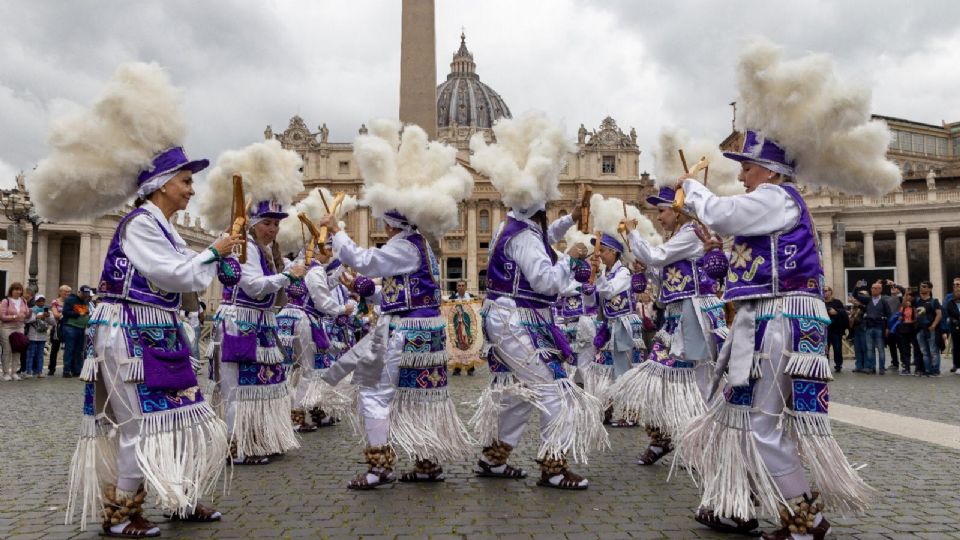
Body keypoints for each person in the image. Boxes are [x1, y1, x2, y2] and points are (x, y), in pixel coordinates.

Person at [28, 62, 246, 537]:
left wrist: (220, 262)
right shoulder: (142, 223)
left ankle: (179, 495)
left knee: (183, 417)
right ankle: (122, 515)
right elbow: (172, 272)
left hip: (157, 331)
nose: (191, 189)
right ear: (163, 183)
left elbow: (184, 281)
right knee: (140, 423)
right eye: (186, 181)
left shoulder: (162, 225)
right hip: (128, 336)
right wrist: (214, 250)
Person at [675, 40, 881, 540]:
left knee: (762, 424)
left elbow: (724, 212)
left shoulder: (776, 196)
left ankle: (805, 520)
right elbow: (734, 245)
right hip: (765, 318)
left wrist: (693, 189)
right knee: (740, 414)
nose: (741, 175)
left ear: (768, 167)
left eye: (746, 166)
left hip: (779, 319)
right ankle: (736, 503)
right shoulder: (774, 201)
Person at [320, 120, 476, 489]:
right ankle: (426, 461)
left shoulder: (403, 246)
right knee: (419, 396)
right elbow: (397, 290)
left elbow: (368, 261)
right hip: (420, 331)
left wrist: (337, 231)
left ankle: (379, 466)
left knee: (374, 393)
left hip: (405, 332)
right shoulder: (417, 247)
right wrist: (364, 289)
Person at [467, 112, 607, 490]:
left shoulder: (511, 223)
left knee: (521, 392)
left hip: (508, 317)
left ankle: (494, 458)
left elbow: (542, 233)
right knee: (553, 388)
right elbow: (546, 283)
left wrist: (568, 221)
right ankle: (554, 466)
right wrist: (574, 257)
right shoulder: (525, 237)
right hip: (517, 320)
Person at [199, 139, 308, 465]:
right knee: (239, 389)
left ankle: (257, 440)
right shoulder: (243, 247)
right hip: (240, 322)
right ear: (254, 223)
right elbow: (255, 286)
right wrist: (289, 277)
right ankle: (238, 445)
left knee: (262, 386)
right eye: (268, 223)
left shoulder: (261, 250)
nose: (273, 229)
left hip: (259, 323)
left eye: (276, 223)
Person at [612, 185, 727, 465]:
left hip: (695, 314)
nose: (659, 216)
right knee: (660, 378)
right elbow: (664, 274)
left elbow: (659, 257)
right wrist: (646, 270)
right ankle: (664, 437)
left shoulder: (691, 234)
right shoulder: (681, 236)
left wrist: (632, 233)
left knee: (702, 382)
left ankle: (704, 444)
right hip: (678, 315)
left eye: (662, 210)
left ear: (679, 211)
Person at [446, 280, 480, 376]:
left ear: (466, 287)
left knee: (470, 347)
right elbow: (448, 311)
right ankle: (457, 369)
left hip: (468, 326)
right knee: (457, 348)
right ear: (456, 287)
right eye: (459, 285)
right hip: (457, 326)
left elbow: (476, 310)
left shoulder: (472, 298)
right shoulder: (452, 298)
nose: (461, 287)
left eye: (462, 285)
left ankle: (470, 369)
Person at [857, 281, 892, 374]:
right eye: (872, 288)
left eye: (876, 288)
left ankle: (881, 368)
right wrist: (857, 287)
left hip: (880, 327)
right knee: (869, 348)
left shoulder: (884, 301)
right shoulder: (868, 300)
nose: (873, 290)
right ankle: (871, 367)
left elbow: (889, 315)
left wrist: (888, 327)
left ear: (880, 290)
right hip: (869, 326)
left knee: (880, 348)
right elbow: (856, 296)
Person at [61, 285, 93, 378]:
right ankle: (66, 370)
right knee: (69, 349)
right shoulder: (70, 300)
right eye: (84, 294)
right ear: (80, 292)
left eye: (87, 294)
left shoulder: (86, 301)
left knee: (79, 351)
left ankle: (77, 370)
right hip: (71, 327)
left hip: (81, 327)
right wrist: (78, 313)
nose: (85, 296)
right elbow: (65, 312)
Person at [0, 282, 30, 381]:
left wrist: (29, 314)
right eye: (16, 289)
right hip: (7, 327)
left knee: (18, 350)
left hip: (20, 327)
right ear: (11, 290)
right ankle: (5, 373)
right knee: (7, 350)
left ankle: (14, 372)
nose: (18, 291)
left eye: (19, 289)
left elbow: (26, 313)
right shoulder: (5, 301)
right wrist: (15, 316)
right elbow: (2, 316)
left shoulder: (24, 301)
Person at [915, 280, 942, 377]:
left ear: (930, 289)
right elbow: (905, 303)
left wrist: (933, 325)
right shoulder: (917, 301)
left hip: (930, 329)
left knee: (933, 351)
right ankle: (927, 370)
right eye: (921, 286)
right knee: (924, 352)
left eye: (925, 286)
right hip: (920, 329)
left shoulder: (934, 301)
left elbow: (939, 314)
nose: (922, 288)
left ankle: (935, 371)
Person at [25, 294, 52, 378]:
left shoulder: (47, 311)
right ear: (36, 302)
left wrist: (48, 317)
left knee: (40, 355)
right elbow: (27, 320)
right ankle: (28, 371)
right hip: (33, 335)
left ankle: (39, 371)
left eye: (43, 301)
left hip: (43, 336)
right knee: (31, 354)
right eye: (39, 301)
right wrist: (38, 316)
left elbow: (53, 322)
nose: (41, 302)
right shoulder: (31, 310)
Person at [48, 284, 70, 376]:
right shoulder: (55, 302)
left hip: (68, 327)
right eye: (65, 291)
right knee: (54, 349)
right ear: (60, 292)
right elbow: (56, 314)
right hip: (57, 327)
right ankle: (51, 368)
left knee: (68, 349)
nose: (67, 293)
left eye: (69, 292)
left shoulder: (70, 302)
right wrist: (67, 313)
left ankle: (67, 368)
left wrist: (62, 314)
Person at [824, 286, 847, 373]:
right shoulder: (821, 302)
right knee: (825, 349)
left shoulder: (837, 302)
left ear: (830, 292)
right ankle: (825, 365)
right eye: (823, 291)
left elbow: (843, 313)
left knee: (837, 348)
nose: (824, 292)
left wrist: (836, 311)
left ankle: (838, 365)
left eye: (826, 290)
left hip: (836, 330)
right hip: (825, 330)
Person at [897, 289, 921, 375]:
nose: (908, 297)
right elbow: (900, 315)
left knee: (917, 349)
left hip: (913, 328)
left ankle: (918, 368)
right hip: (904, 329)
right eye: (907, 296)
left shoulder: (916, 305)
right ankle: (906, 368)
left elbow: (917, 317)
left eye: (910, 296)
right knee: (905, 350)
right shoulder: (903, 307)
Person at [944, 278, 960, 374]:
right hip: (954, 325)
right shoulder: (949, 297)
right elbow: (946, 309)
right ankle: (956, 365)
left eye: (958, 284)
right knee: (956, 346)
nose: (956, 286)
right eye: (955, 284)